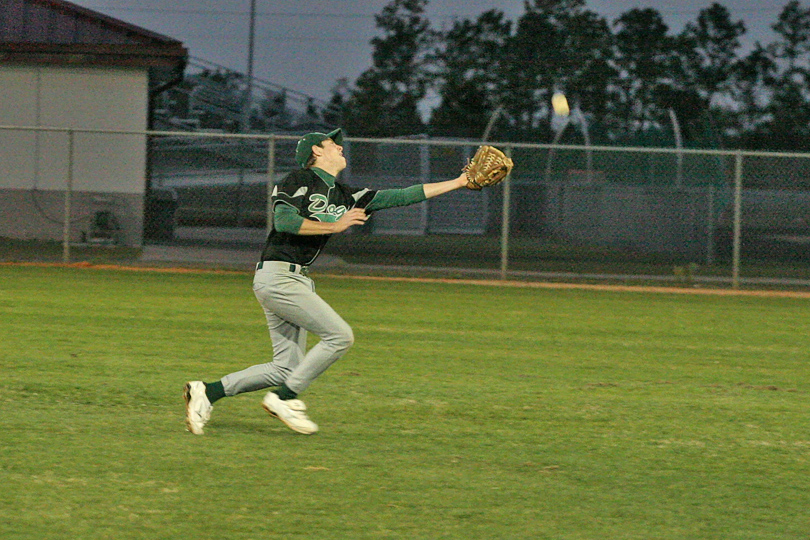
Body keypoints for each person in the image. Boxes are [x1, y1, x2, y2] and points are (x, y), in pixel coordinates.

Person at [184, 128, 470, 435]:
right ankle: (284, 398)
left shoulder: (347, 196)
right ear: (317, 152)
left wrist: (459, 182)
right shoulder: (299, 179)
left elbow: (402, 196)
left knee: (286, 368)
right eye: (333, 144)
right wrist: (333, 224)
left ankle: (207, 392)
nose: (340, 148)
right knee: (339, 336)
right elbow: (284, 221)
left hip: (295, 280)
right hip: (278, 276)